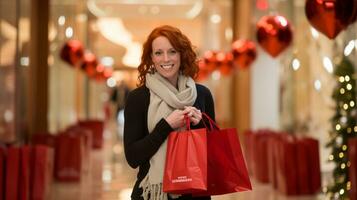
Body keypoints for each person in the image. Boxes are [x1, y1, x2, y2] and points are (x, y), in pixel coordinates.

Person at [124, 25, 215, 200]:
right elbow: (133, 157)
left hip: (195, 192)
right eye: (158, 53)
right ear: (151, 57)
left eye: (172, 52)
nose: (166, 59)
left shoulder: (202, 94)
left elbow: (212, 156)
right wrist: (166, 126)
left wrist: (200, 124)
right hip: (152, 193)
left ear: (182, 54)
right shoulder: (138, 98)